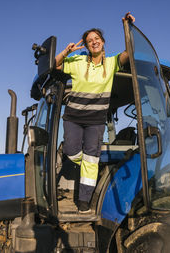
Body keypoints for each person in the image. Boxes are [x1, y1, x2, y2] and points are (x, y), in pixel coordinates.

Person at [55, 13, 135, 212]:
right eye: (90, 40)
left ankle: (84, 200)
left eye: (96, 39)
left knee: (91, 159)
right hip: (73, 118)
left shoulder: (111, 62)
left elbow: (129, 52)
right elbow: (54, 65)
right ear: (87, 45)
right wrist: (66, 51)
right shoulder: (77, 62)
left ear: (103, 42)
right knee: (71, 152)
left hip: (96, 121)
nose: (93, 42)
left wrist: (128, 27)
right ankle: (93, 169)